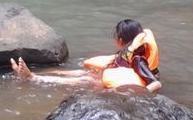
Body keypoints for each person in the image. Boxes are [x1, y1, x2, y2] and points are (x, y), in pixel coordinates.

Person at [11, 19, 162, 92]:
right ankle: (30, 72)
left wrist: (141, 96)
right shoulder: (130, 51)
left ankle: (33, 78)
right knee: (81, 72)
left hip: (125, 80)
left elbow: (156, 83)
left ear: (120, 40)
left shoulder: (137, 59)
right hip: (115, 73)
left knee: (86, 78)